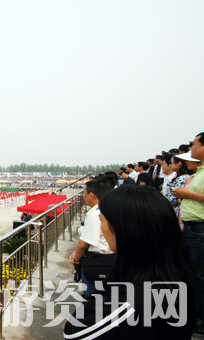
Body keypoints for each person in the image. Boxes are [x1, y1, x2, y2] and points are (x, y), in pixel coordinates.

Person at [64, 185, 196, 339]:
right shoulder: (173, 270)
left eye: (102, 221)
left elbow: (73, 332)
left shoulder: (133, 304)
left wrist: (106, 285)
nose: (101, 228)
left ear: (123, 229)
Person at [172, 132, 204, 331]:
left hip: (200, 229)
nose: (191, 149)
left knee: (199, 274)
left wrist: (187, 194)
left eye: (194, 144)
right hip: (192, 228)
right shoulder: (199, 172)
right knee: (193, 272)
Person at [70, 178, 115, 297]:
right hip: (108, 260)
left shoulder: (95, 214)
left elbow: (82, 244)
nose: (83, 196)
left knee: (94, 298)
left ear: (91, 195)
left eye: (84, 193)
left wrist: (77, 259)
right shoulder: (108, 208)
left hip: (98, 262)